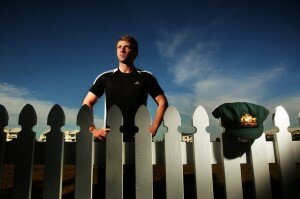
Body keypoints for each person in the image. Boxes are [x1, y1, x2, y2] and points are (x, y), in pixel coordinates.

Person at [82, 35, 168, 142]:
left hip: (139, 139)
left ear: (135, 52)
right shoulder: (105, 77)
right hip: (110, 138)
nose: (122, 50)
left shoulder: (146, 76)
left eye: (127, 47)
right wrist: (93, 129)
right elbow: (87, 102)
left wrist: (154, 127)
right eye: (119, 47)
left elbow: (162, 102)